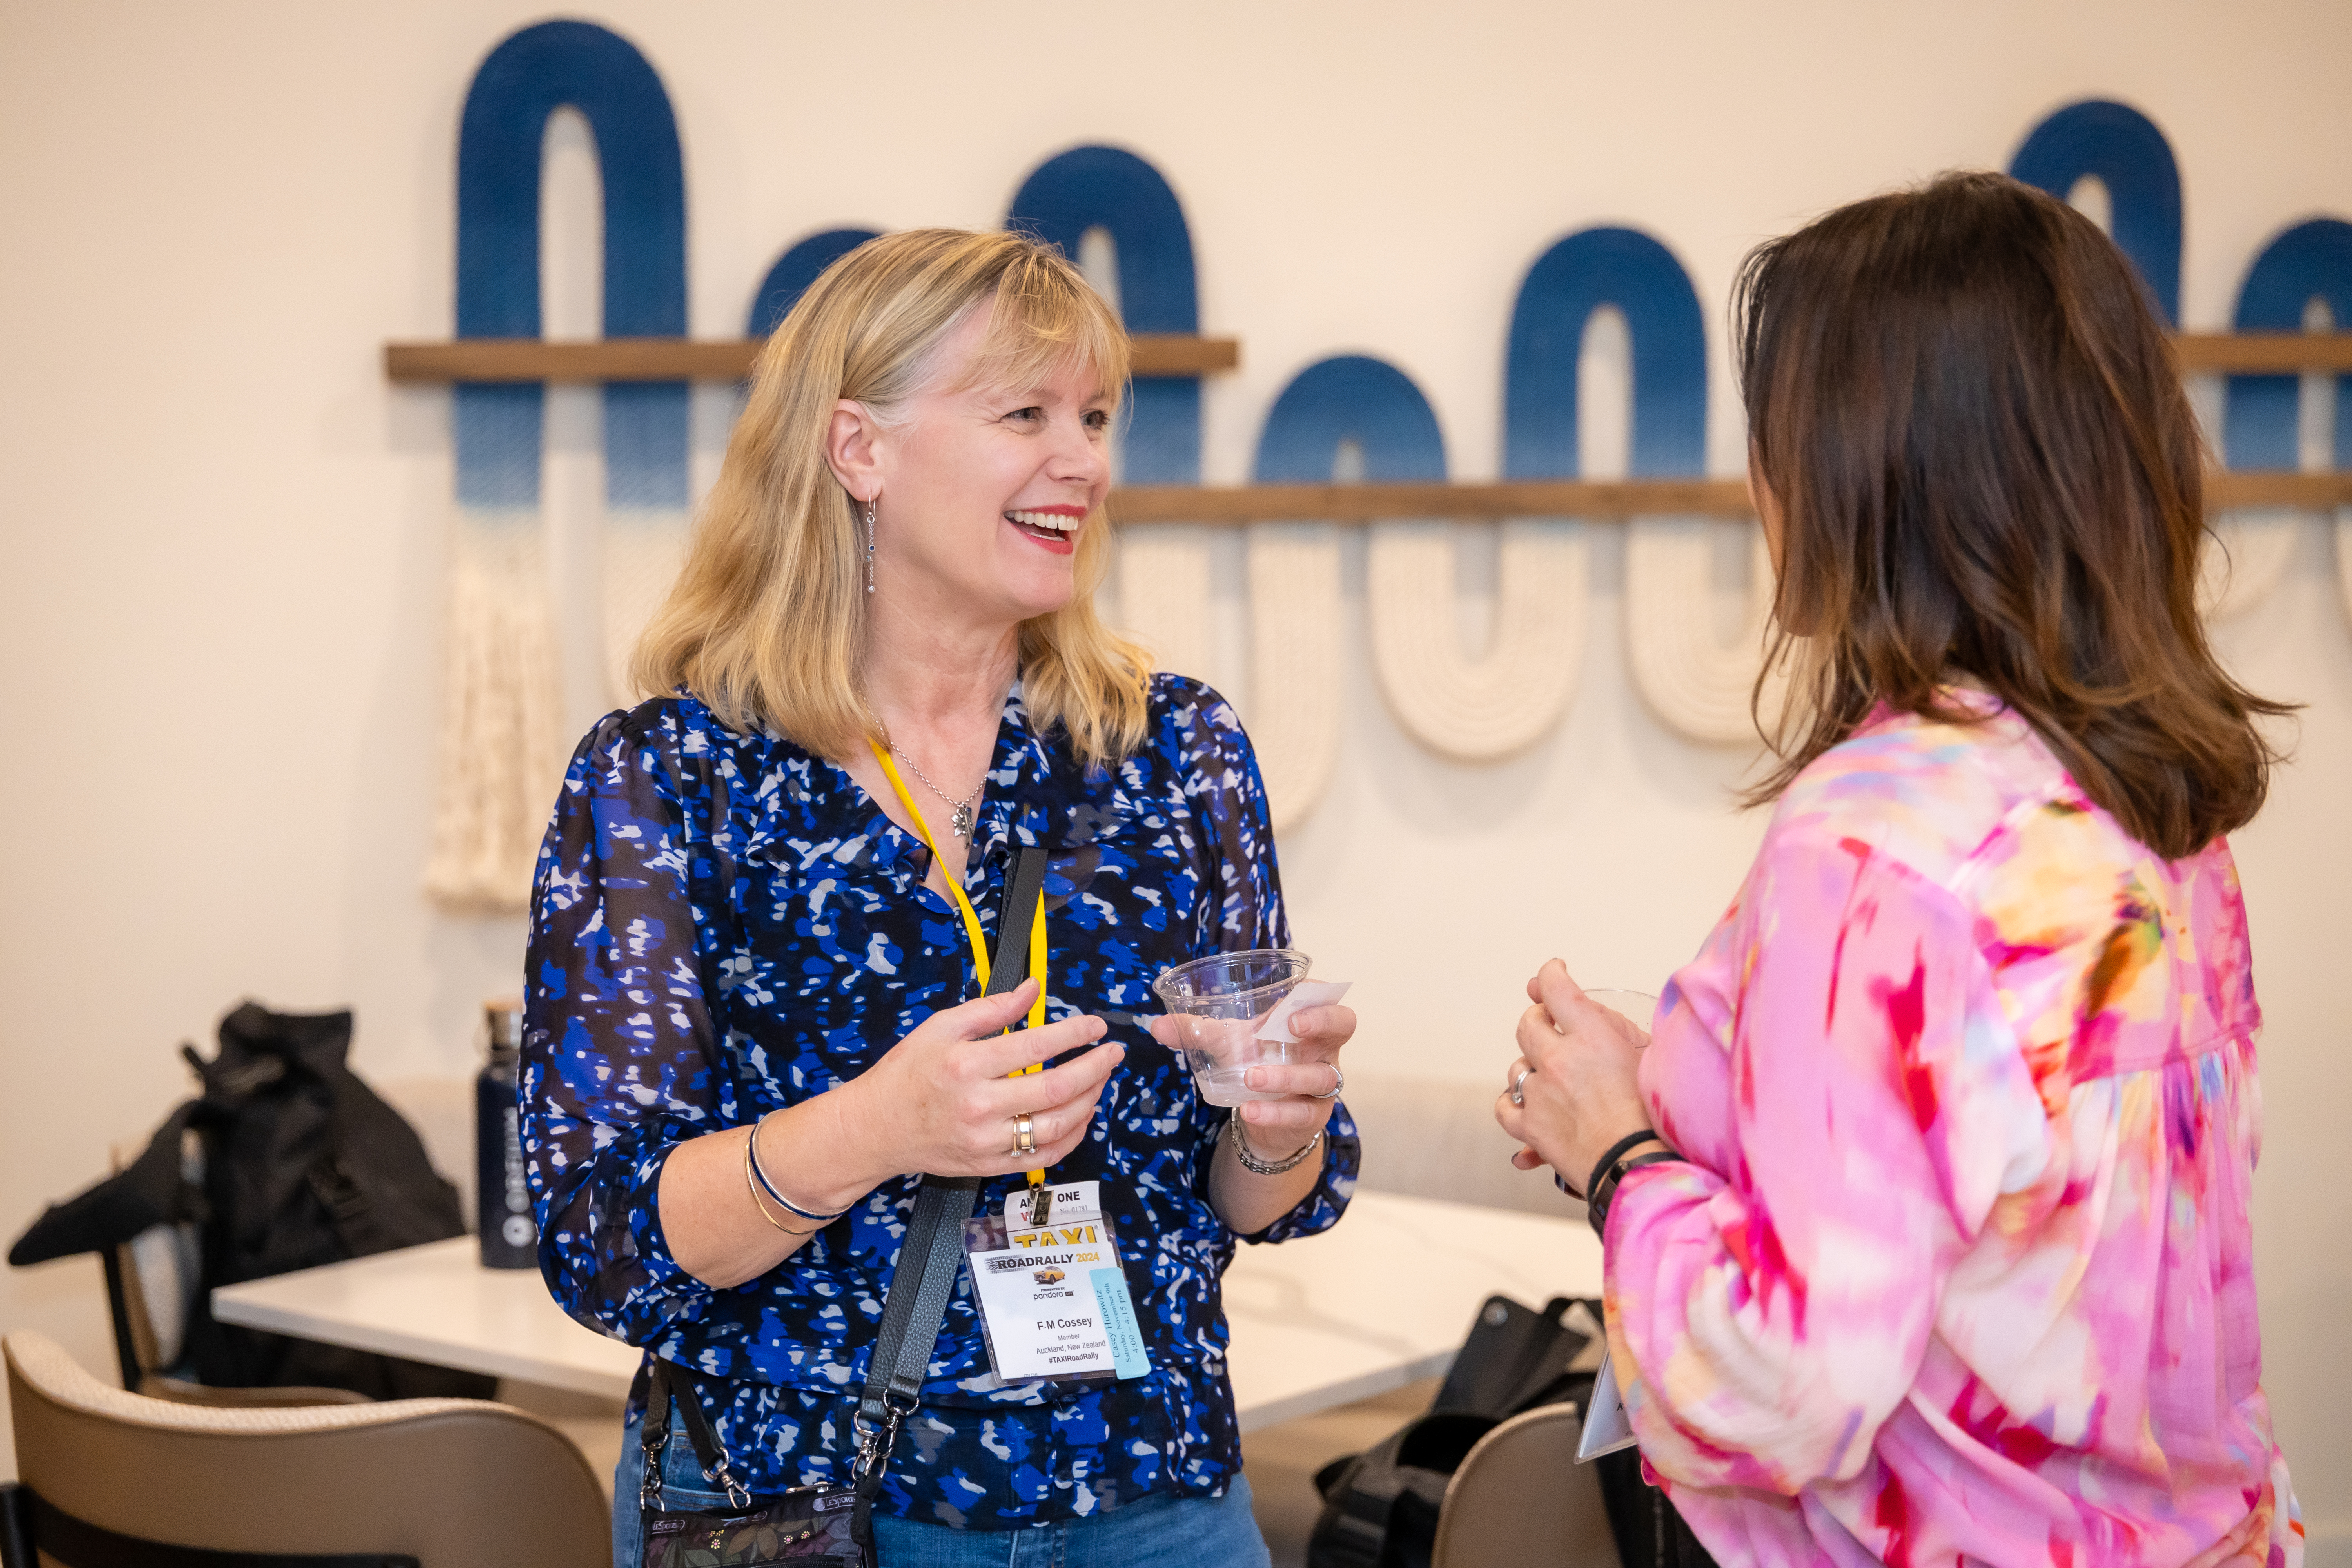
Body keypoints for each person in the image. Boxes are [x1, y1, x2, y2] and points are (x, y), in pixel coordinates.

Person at [521, 227, 1359, 1568]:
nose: (1080, 459)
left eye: (1092, 416)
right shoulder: (670, 779)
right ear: (860, 450)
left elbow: (1262, 1199)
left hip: (1155, 1505)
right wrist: (882, 1127)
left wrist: (1274, 1121)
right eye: (1023, 412)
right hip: (806, 1509)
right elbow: (604, 1242)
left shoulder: (1174, 752)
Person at [1497, 172, 2301, 1566]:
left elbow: (1785, 1392)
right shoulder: (2143, 788)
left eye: (1782, 431)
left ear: (1878, 460)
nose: (1759, 482)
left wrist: (1619, 1155)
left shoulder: (1871, 846)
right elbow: (2026, 1207)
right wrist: (1702, 1087)